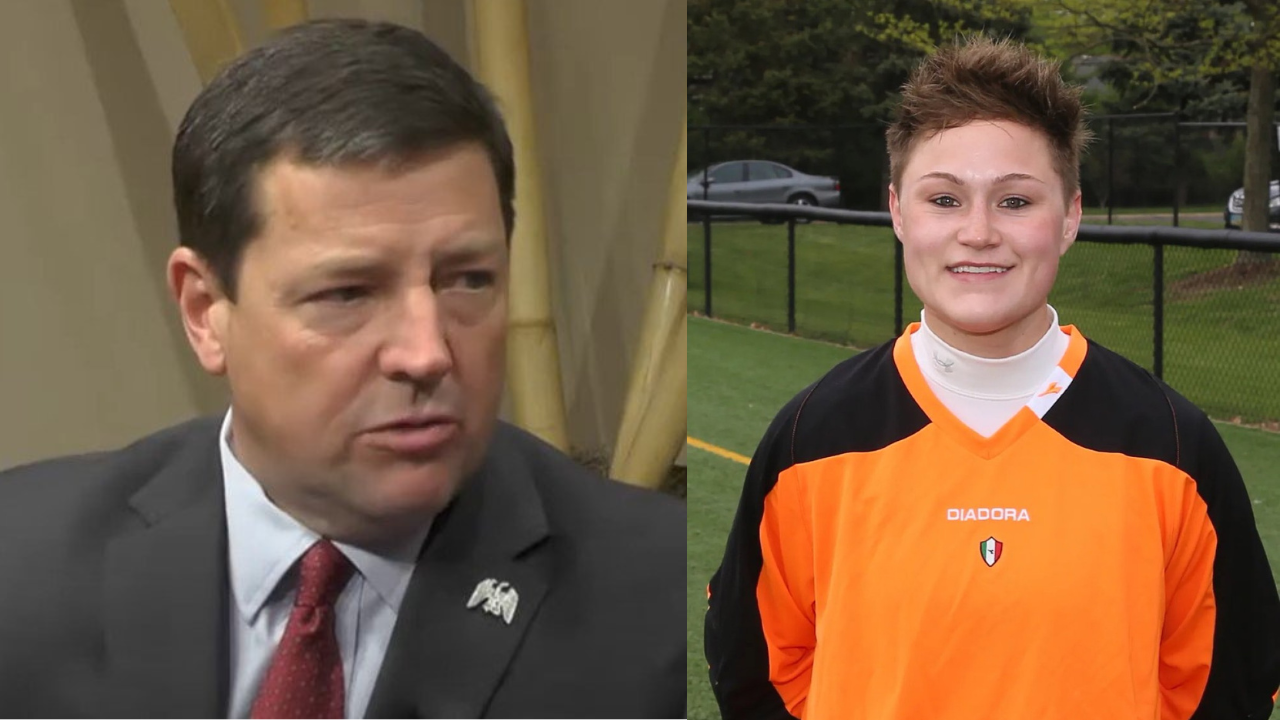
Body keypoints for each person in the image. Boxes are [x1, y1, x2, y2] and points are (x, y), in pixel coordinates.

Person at [0, 19, 684, 719]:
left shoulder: (668, 606)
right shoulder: (19, 562)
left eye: (469, 280)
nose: (427, 352)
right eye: (348, 293)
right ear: (206, 311)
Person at [704, 36, 1280, 720]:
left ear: (1068, 218)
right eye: (944, 200)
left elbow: (1227, 681)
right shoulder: (812, 436)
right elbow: (757, 667)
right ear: (896, 212)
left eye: (1014, 202)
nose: (978, 232)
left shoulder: (1170, 444)